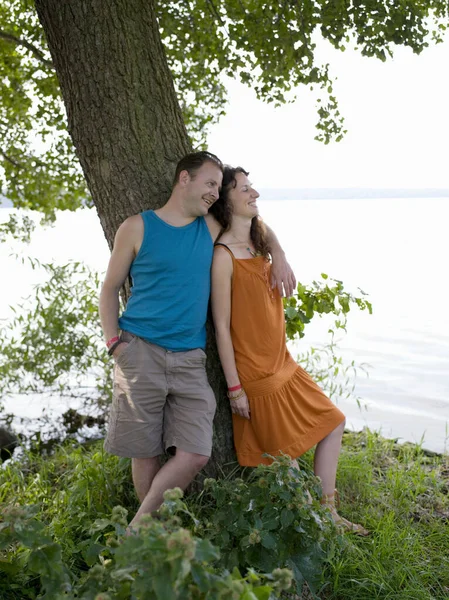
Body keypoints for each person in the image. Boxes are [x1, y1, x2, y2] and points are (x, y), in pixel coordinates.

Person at [99, 151, 295, 531]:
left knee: (196, 453)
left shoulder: (208, 227)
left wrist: (280, 253)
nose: (213, 193)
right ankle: (152, 538)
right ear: (183, 180)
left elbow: (253, 224)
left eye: (218, 188)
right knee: (145, 451)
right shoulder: (137, 227)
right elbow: (109, 289)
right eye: (209, 184)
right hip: (139, 351)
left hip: (190, 357)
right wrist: (114, 345)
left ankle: (135, 532)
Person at [210, 166, 369, 535]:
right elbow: (220, 326)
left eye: (253, 187)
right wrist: (234, 388)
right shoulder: (223, 256)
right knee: (285, 459)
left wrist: (279, 253)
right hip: (256, 374)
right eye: (246, 189)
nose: (255, 194)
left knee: (333, 422)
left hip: (284, 364)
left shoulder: (259, 240)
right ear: (226, 198)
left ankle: (327, 515)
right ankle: (313, 525)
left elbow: (264, 228)